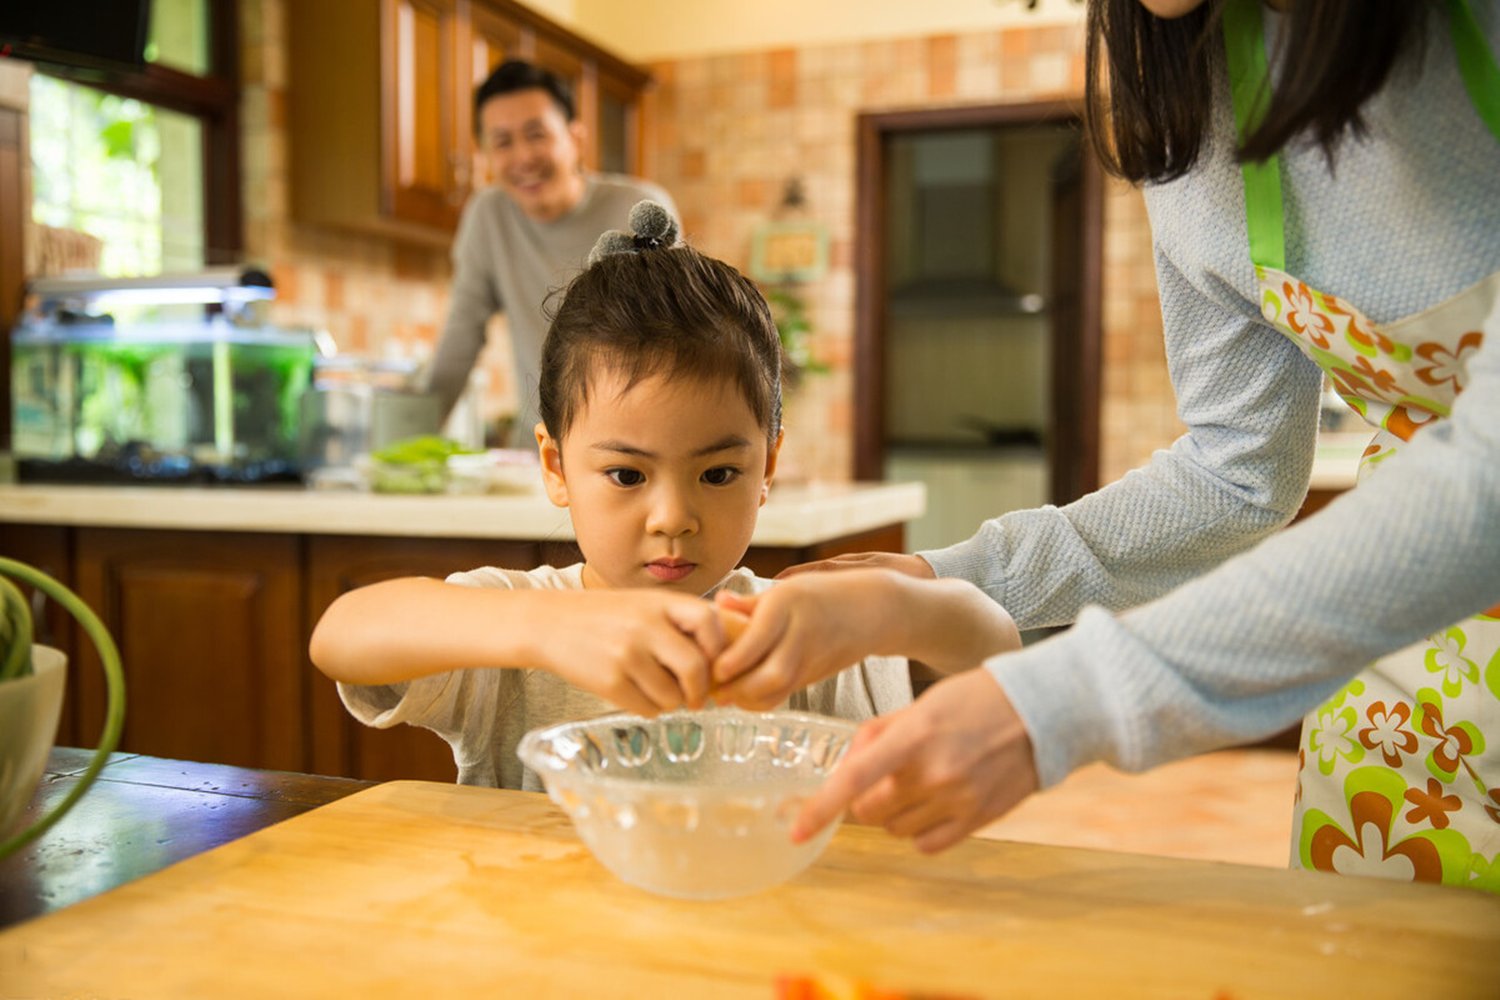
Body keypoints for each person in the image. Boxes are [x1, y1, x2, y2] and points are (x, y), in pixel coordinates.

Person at [725, 0, 1500, 892]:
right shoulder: (1191, 106)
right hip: (1419, 665)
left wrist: (1066, 701)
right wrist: (948, 579)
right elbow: (1236, 471)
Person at [310, 202, 1022, 791]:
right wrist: (545, 630)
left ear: (767, 464)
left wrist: (893, 606)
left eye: (717, 474)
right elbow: (342, 634)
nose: (674, 518)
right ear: (555, 466)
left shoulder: (796, 637)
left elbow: (995, 648)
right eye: (627, 475)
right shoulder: (522, 634)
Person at [422, 59, 678, 441]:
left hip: (636, 449)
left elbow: (677, 335)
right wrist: (402, 444)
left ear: (576, 139)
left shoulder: (640, 209)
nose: (523, 157)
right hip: (542, 454)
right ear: (486, 155)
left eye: (536, 134)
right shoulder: (487, 216)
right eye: (503, 142)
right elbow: (460, 338)